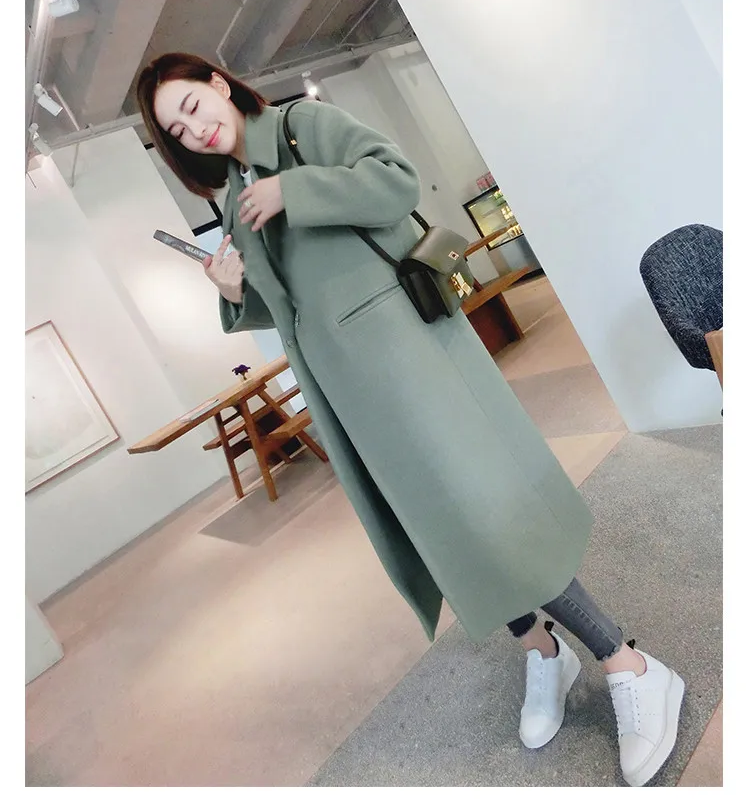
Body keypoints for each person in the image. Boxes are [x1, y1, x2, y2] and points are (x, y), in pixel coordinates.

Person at [137, 52, 685, 787]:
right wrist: (236, 292)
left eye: (192, 106)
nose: (195, 129)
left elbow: (396, 183)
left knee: (489, 514)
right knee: (442, 529)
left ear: (217, 84)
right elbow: (293, 303)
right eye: (177, 131)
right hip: (352, 396)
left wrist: (294, 189)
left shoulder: (301, 127)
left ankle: (628, 663)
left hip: (413, 364)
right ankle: (540, 650)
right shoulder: (236, 198)